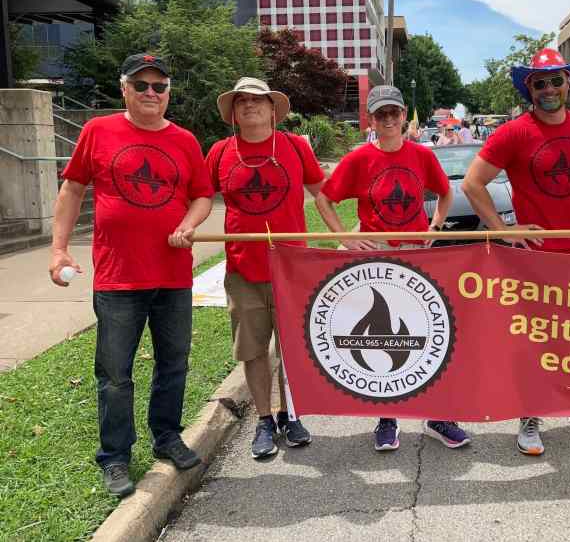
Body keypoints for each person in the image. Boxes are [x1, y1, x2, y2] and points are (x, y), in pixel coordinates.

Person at [49, 54, 214, 497]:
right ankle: (115, 457)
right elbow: (72, 189)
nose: (150, 94)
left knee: (173, 364)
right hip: (119, 279)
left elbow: (202, 195)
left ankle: (167, 437)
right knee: (115, 374)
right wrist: (59, 248)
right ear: (124, 88)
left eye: (159, 86)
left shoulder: (184, 140)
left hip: (173, 276)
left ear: (168, 93)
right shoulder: (98, 131)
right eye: (140, 85)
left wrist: (189, 224)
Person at [462, 48, 570, 455]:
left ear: (569, 82)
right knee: (535, 339)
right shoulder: (515, 131)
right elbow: (472, 184)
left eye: (556, 80)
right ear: (529, 88)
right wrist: (502, 230)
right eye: (540, 83)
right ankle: (529, 415)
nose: (549, 89)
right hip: (534, 256)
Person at [314, 85, 470, 452]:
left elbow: (445, 192)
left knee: (430, 334)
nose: (388, 120)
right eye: (380, 114)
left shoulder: (421, 155)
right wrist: (347, 239)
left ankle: (438, 415)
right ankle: (387, 417)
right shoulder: (358, 160)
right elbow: (324, 198)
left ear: (403, 115)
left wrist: (434, 228)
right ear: (371, 119)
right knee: (385, 337)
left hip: (417, 253)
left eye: (394, 113)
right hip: (377, 257)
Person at [206, 77, 325, 459]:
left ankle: (291, 414)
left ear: (273, 110)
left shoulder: (294, 147)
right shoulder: (221, 152)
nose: (250, 105)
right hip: (243, 270)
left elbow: (322, 192)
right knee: (253, 350)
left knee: (290, 349)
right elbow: (197, 196)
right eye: (241, 101)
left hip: (291, 268)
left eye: (257, 100)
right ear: (233, 113)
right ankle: (264, 420)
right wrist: (182, 227)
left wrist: (346, 234)